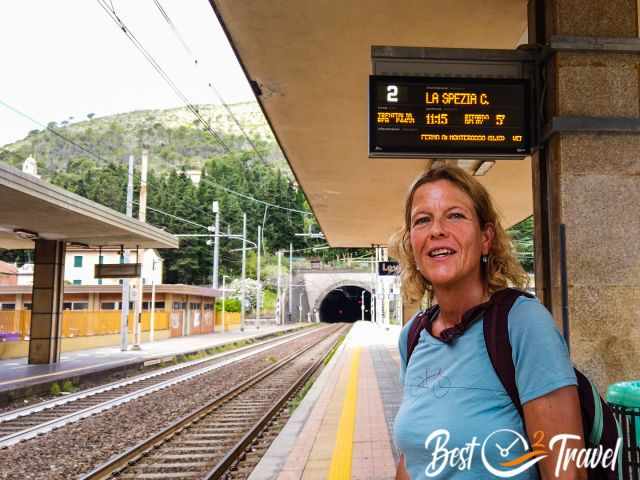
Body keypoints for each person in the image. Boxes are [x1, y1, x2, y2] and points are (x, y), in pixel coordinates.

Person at [390, 166, 585, 479]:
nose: (436, 230)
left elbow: (566, 471)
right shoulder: (412, 337)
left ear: (485, 238)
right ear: (411, 245)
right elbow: (413, 460)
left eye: (455, 215)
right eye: (422, 220)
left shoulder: (522, 324)